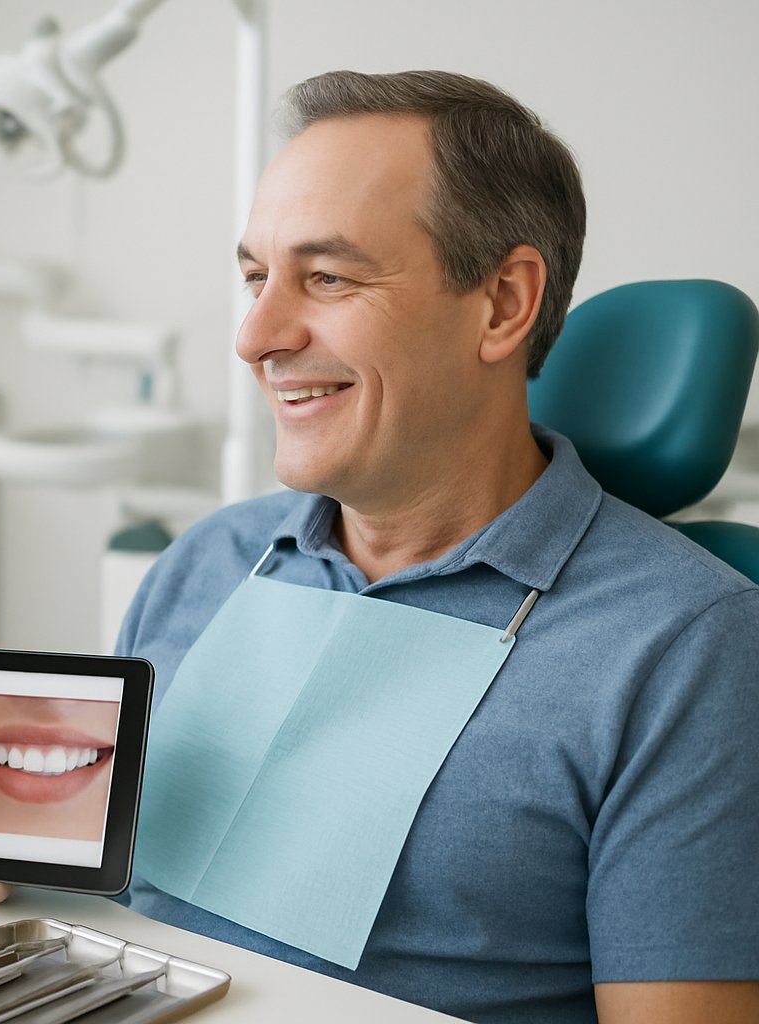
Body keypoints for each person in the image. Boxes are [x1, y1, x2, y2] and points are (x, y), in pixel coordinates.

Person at [112, 71, 759, 1024]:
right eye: (257, 277)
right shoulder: (208, 563)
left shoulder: (681, 647)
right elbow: (80, 905)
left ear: (502, 303)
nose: (256, 336)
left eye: (328, 278)